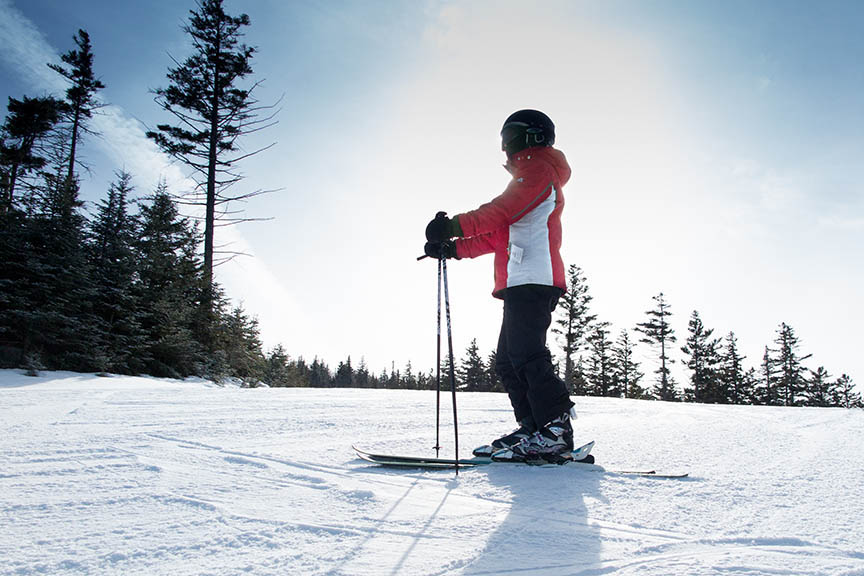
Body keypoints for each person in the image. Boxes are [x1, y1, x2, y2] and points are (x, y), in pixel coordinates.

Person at [423, 109, 575, 462]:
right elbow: (498, 235)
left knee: (527, 354)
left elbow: (499, 212)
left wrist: (454, 226)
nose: (505, 146)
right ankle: (533, 427)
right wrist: (454, 248)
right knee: (508, 360)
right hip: (519, 279)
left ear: (527, 137)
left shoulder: (539, 170)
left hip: (534, 277)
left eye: (509, 137)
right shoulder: (529, 173)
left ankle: (554, 430)